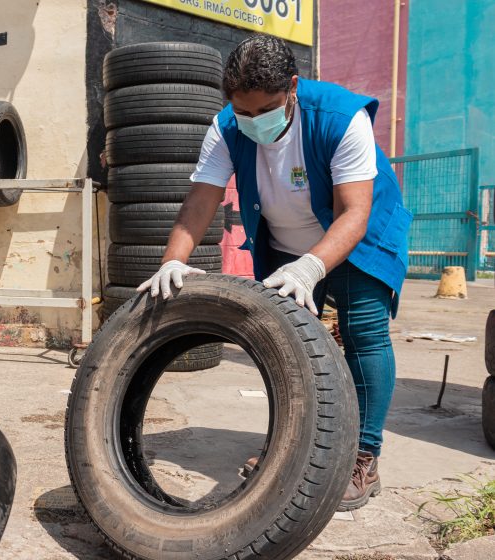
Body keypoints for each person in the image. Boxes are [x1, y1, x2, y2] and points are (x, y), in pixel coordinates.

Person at [138, 35, 411, 511]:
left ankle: (361, 458)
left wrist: (311, 266)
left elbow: (354, 212)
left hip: (356, 234)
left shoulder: (340, 118)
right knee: (285, 339)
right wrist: (173, 261)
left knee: (363, 335)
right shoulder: (227, 127)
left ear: (293, 87)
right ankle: (295, 445)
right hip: (286, 240)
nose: (252, 122)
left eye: (264, 109)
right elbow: (202, 197)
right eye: (243, 112)